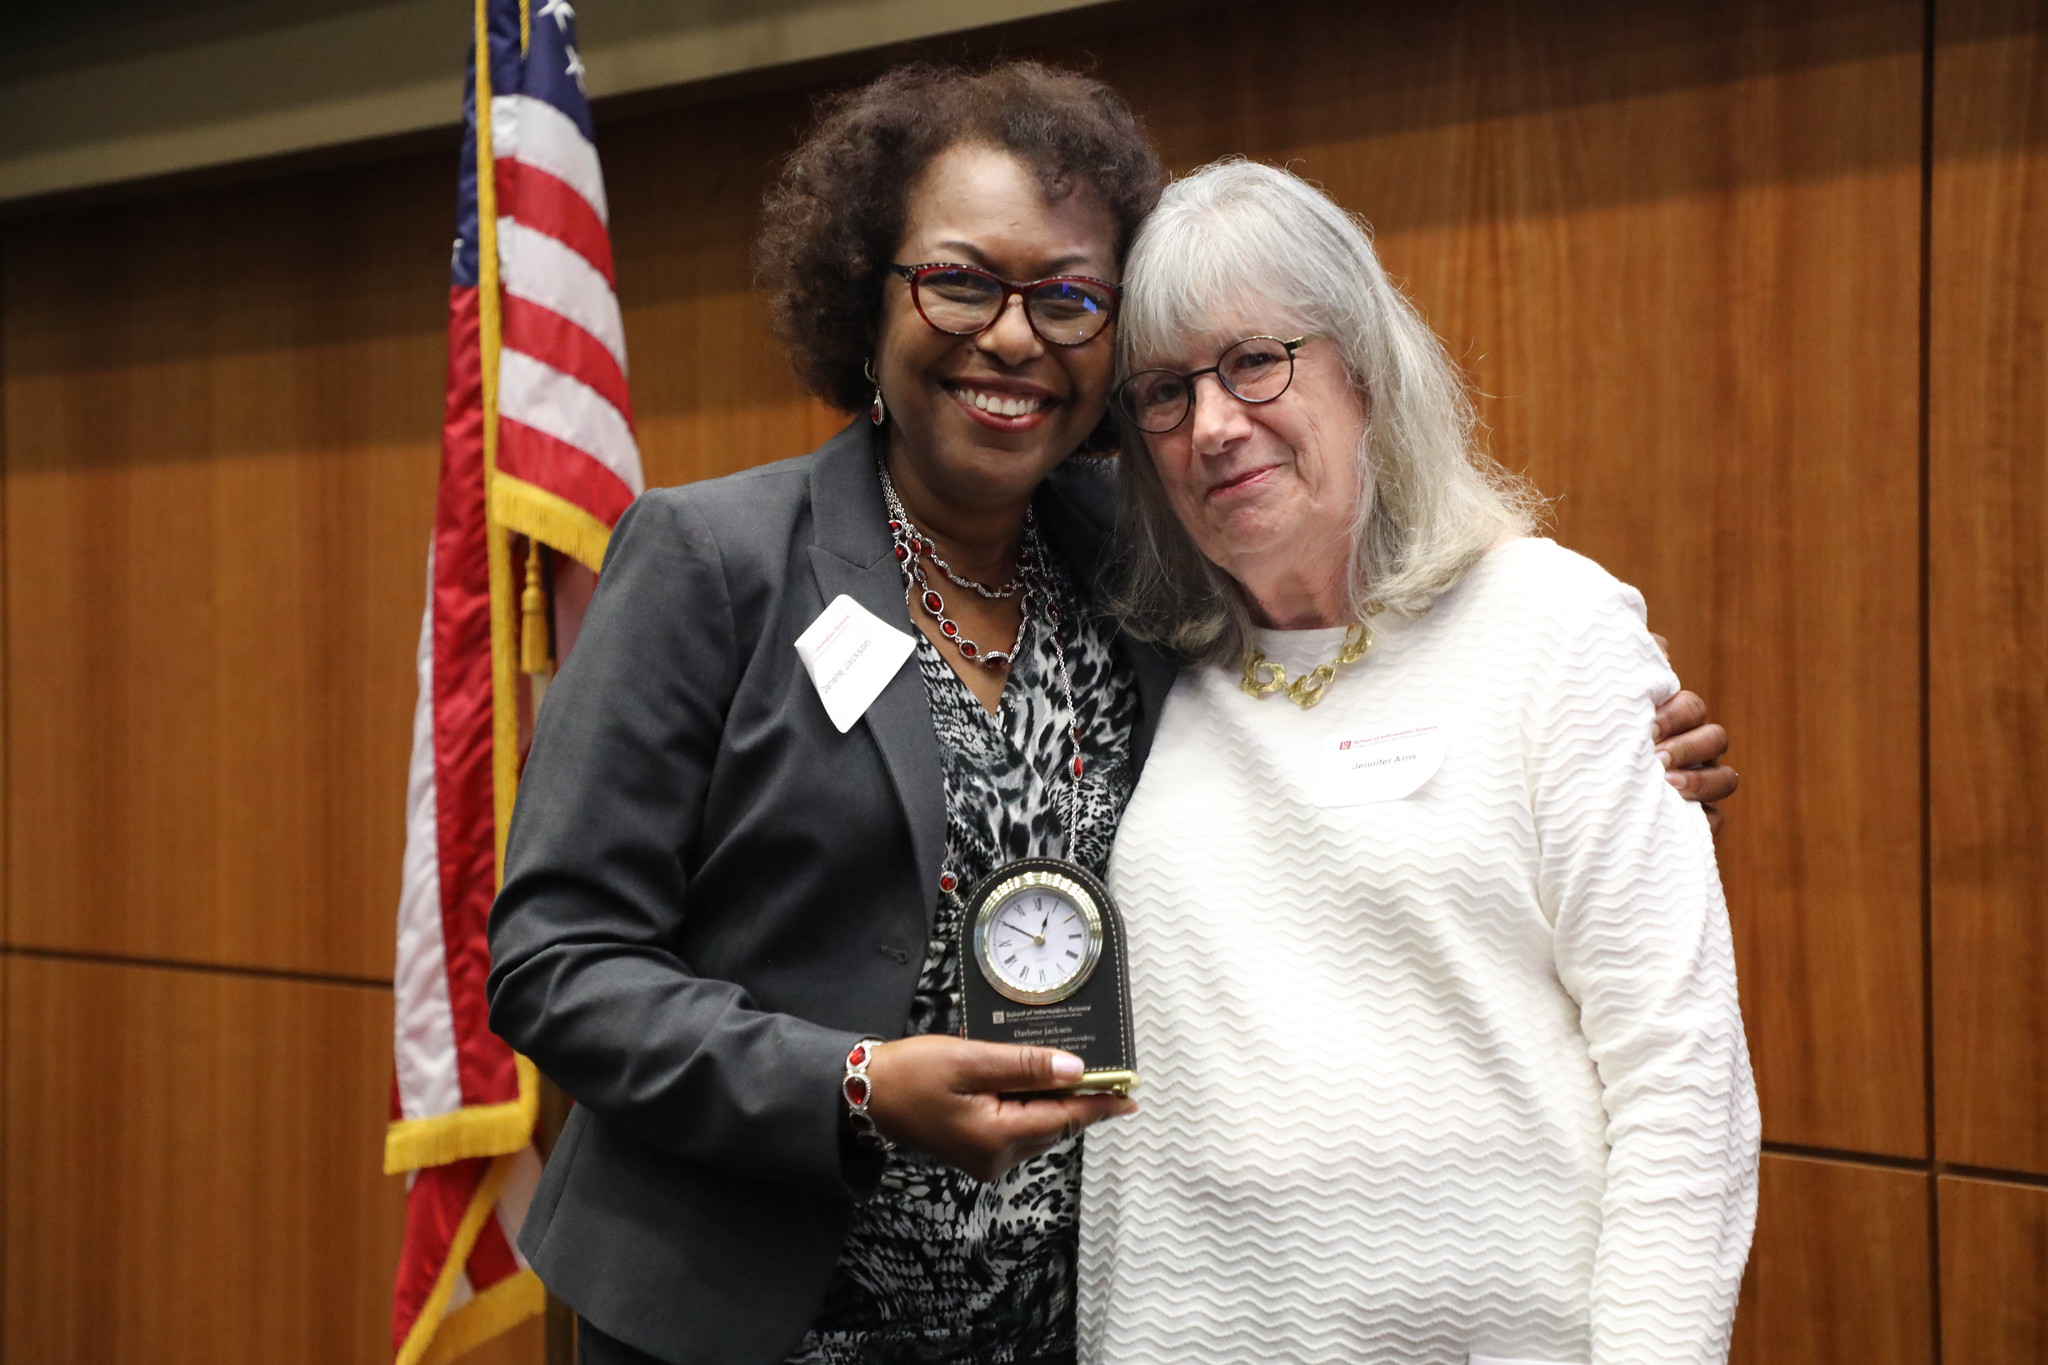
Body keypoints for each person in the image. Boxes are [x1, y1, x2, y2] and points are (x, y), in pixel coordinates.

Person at [487, 62, 1737, 1365]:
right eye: (962, 280)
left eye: (1070, 298)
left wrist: (1626, 758)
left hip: (1056, 1324)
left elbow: (1373, 691)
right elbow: (554, 960)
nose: (1015, 337)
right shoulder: (717, 563)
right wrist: (851, 1083)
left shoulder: (1141, 570)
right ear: (868, 296)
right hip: (759, 1319)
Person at [1074, 158, 1760, 1365]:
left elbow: (1679, 1081)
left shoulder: (1551, 630)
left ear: (1362, 371)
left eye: (1252, 361)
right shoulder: (1146, 674)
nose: (1215, 424)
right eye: (1166, 393)